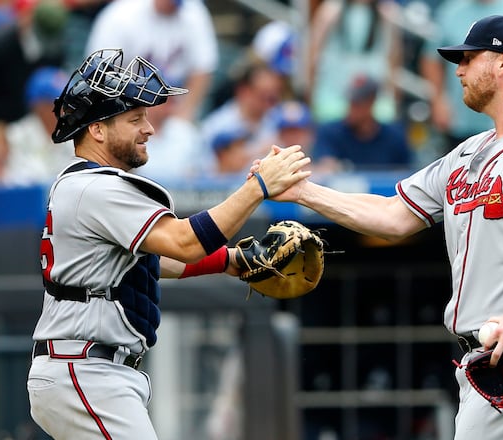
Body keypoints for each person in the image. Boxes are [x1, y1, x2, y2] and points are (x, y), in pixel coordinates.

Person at [267, 15, 503, 439]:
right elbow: (394, 216)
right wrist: (303, 192)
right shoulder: (470, 151)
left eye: (469, 58)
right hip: (482, 358)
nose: (459, 70)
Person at [25, 48, 310, 438]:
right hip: (85, 369)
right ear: (97, 129)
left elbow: (159, 261)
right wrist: (258, 188)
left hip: (87, 369)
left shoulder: (86, 184)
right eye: (135, 118)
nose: (149, 128)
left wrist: (230, 260)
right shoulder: (97, 187)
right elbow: (184, 243)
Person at [419, 0, 503, 151]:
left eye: (469, 59)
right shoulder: (451, 10)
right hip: (461, 119)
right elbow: (431, 59)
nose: (459, 71)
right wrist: (438, 100)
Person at [85, 0, 218, 122]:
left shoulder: (193, 12)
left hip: (173, 101)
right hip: (127, 97)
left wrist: (184, 114)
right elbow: (100, 71)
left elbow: (203, 70)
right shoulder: (121, 14)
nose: (171, 5)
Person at [307, 0, 402, 123]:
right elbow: (314, 55)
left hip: (376, 101)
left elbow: (393, 58)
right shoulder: (330, 10)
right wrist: (311, 93)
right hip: (333, 98)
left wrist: (393, 96)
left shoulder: (387, 13)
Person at [312, 74, 411, 172]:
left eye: (357, 103)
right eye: (350, 102)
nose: (351, 108)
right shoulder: (330, 132)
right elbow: (325, 168)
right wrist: (331, 167)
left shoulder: (394, 137)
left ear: (371, 101)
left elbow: (404, 175)